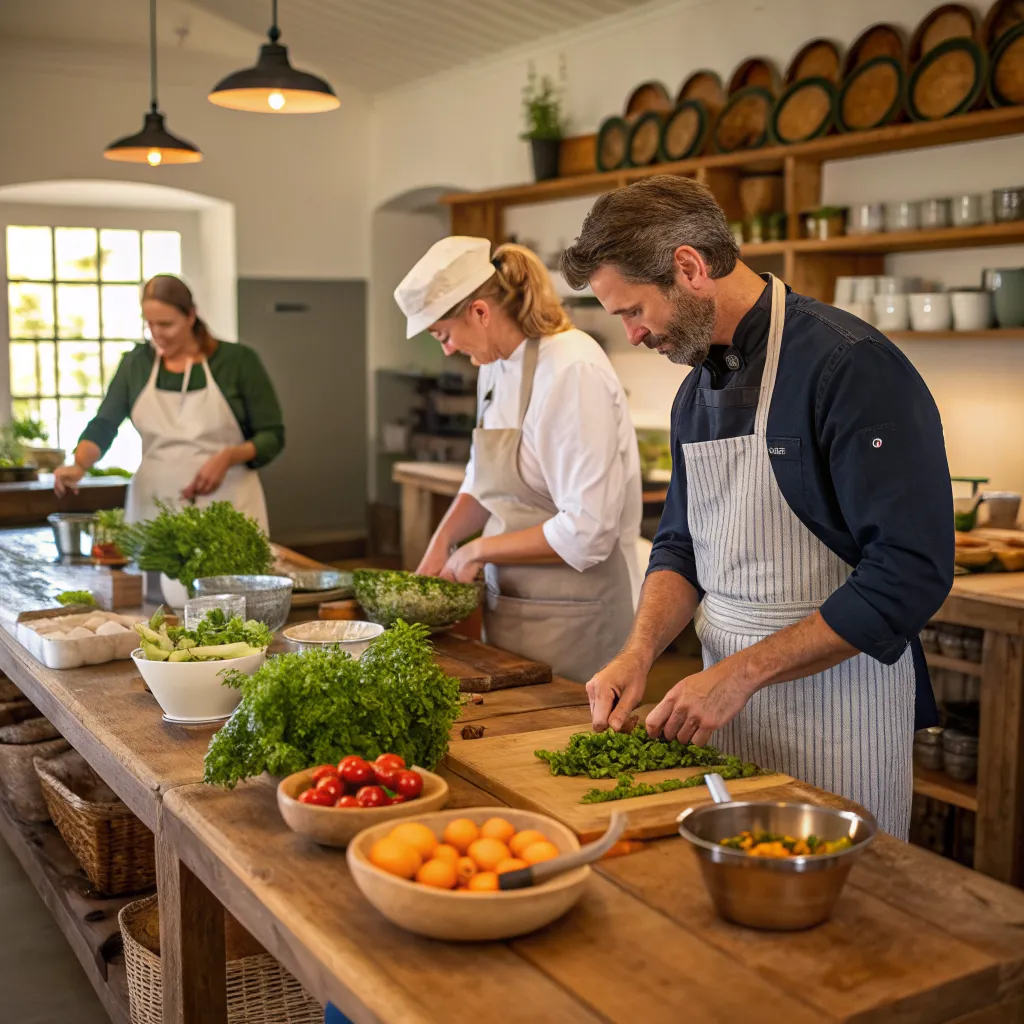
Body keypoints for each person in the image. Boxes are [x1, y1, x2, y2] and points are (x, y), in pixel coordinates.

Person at [560, 176, 953, 838]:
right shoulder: (695, 395)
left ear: (689, 268)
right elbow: (681, 545)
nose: (631, 334)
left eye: (632, 311)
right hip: (725, 712)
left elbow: (910, 571)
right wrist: (640, 652)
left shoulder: (849, 366)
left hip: (842, 714)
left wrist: (742, 674)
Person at [394, 237, 643, 683]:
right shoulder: (494, 365)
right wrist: (440, 544)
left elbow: (588, 531)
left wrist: (478, 550)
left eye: (444, 335)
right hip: (512, 606)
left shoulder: (572, 369)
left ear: (481, 313)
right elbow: (484, 478)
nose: (447, 350)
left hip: (578, 617)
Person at [53, 274, 283, 531]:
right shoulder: (136, 364)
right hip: (153, 507)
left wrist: (229, 456)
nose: (157, 334)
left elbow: (272, 435)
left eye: (166, 324)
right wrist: (79, 465)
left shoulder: (237, 361)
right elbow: (104, 424)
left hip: (228, 504)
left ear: (191, 316)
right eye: (150, 324)